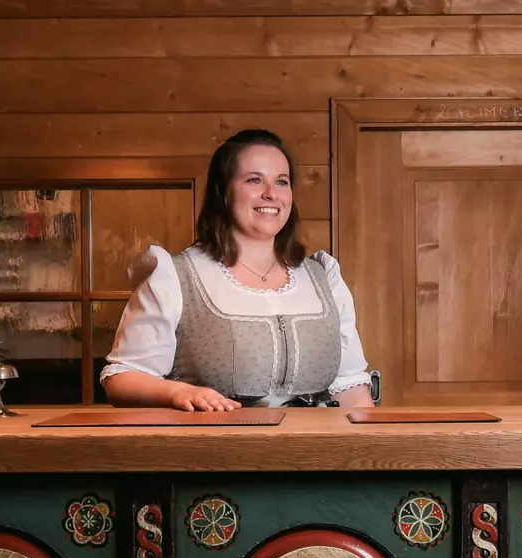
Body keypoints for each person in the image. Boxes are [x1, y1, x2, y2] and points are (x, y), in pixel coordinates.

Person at [101, 128, 374, 411]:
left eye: (282, 182)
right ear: (224, 192)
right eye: (254, 180)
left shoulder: (323, 277)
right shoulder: (175, 277)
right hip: (214, 450)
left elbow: (351, 388)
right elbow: (122, 379)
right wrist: (175, 392)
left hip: (312, 451)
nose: (271, 194)